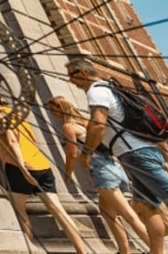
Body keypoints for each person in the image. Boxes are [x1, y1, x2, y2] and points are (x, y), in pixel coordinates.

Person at [70, 55, 168, 253]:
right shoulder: (114, 89)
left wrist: (86, 153)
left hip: (136, 154)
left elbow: (98, 125)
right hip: (140, 152)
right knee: (147, 206)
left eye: (72, 76)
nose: (70, 81)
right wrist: (167, 158)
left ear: (83, 73)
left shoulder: (97, 92)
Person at [50, 94, 149, 254]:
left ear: (59, 109)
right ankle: (123, 250)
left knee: (129, 216)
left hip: (103, 172)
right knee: (107, 212)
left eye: (53, 109)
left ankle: (158, 251)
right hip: (116, 168)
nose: (52, 113)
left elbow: (72, 153)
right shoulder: (88, 123)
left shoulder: (68, 127)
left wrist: (67, 174)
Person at [0, 101, 88, 254]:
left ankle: (31, 249)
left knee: (20, 211)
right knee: (59, 211)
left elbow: (12, 141)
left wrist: (22, 169)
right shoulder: (18, 114)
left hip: (19, 166)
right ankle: (82, 251)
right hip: (42, 165)